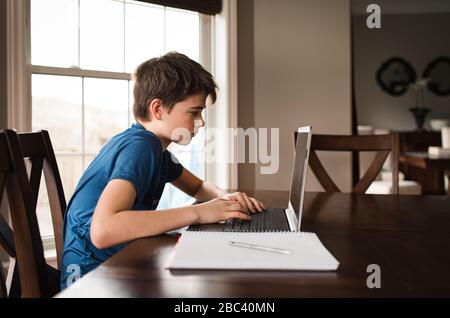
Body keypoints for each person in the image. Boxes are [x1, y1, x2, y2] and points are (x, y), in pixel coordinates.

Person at [60, 52, 265, 289]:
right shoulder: (140, 147)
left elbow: (197, 186)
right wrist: (200, 213)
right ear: (158, 109)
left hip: (114, 264)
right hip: (90, 278)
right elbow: (103, 230)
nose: (201, 122)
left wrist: (225, 199)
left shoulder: (157, 151)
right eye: (194, 112)